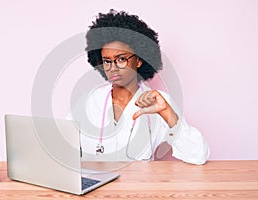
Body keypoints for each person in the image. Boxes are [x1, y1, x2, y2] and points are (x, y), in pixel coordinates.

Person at [71, 9, 210, 165]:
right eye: (107, 61)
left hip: (140, 187)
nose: (113, 67)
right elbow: (61, 148)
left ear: (139, 60)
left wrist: (166, 112)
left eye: (121, 59)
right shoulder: (89, 102)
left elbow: (198, 155)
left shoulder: (159, 103)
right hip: (97, 186)